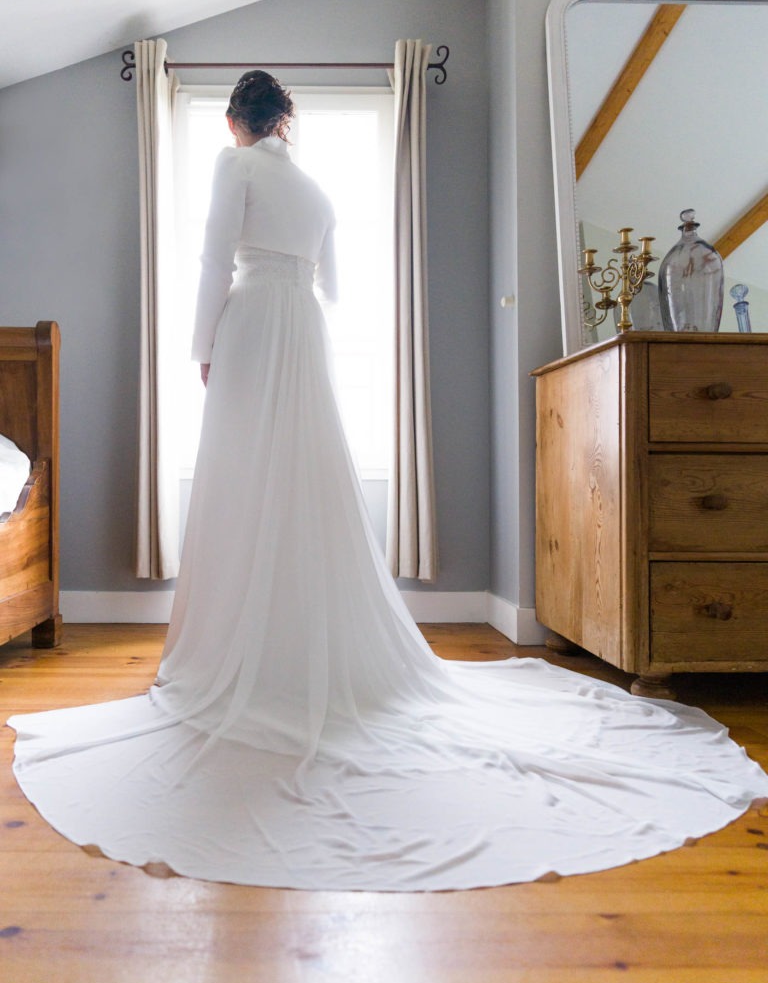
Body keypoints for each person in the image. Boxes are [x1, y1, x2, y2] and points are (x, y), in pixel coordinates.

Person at [9, 72, 768, 891]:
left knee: (241, 480)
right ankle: (295, 642)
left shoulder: (237, 169)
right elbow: (331, 284)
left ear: (236, 121)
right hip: (303, 326)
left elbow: (209, 261)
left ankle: (237, 650)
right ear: (285, 119)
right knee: (303, 477)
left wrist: (200, 345)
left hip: (257, 322)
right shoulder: (313, 187)